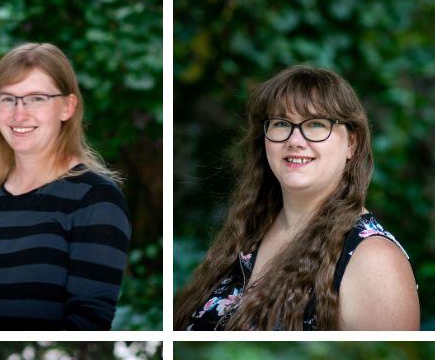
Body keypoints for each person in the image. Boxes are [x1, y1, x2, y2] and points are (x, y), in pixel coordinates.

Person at [174, 65, 419, 330]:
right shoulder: (248, 232)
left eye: (315, 124)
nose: (295, 139)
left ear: (352, 143)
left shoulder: (373, 260)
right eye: (281, 124)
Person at [0, 43, 131, 331]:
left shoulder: (95, 199)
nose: (19, 113)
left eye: (36, 98)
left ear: (67, 107)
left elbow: (87, 323)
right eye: (8, 99)